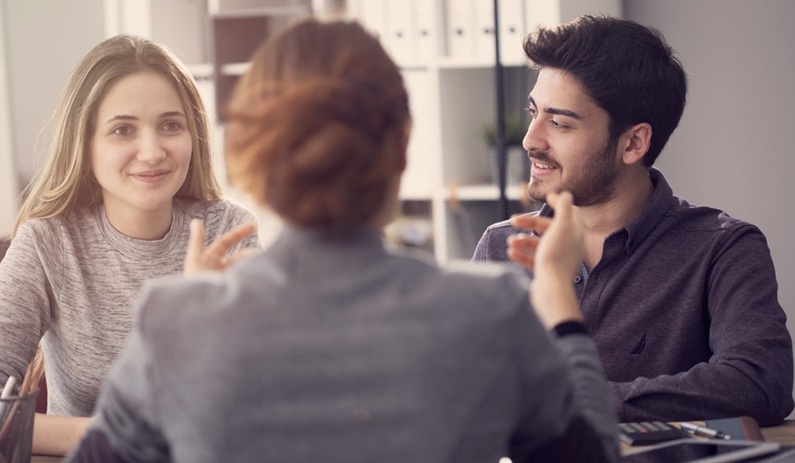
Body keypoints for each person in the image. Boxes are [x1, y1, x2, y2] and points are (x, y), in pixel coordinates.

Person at [64, 19, 620, 463]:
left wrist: (196, 322)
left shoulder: (176, 320)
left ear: (250, 157)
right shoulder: (490, 309)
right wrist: (558, 304)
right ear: (402, 148)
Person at [473, 15, 794, 426]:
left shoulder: (723, 248)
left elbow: (760, 382)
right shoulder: (501, 246)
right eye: (533, 112)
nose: (530, 139)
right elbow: (470, 395)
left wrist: (578, 404)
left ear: (633, 142)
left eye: (559, 122)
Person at [0, 34, 260, 455]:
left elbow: (257, 398)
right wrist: (113, 435)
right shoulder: (48, 244)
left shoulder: (227, 230)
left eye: (171, 126)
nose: (152, 151)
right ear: (85, 147)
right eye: (123, 129)